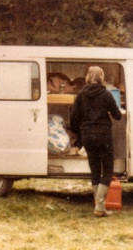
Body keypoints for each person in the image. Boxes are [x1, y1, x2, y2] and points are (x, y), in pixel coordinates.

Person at [70, 66, 122, 217]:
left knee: (94, 170)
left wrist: (80, 133)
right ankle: (100, 207)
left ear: (88, 77)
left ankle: (98, 204)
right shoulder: (106, 94)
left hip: (87, 136)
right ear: (101, 77)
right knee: (107, 169)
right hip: (103, 135)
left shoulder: (80, 95)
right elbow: (117, 116)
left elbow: (74, 118)